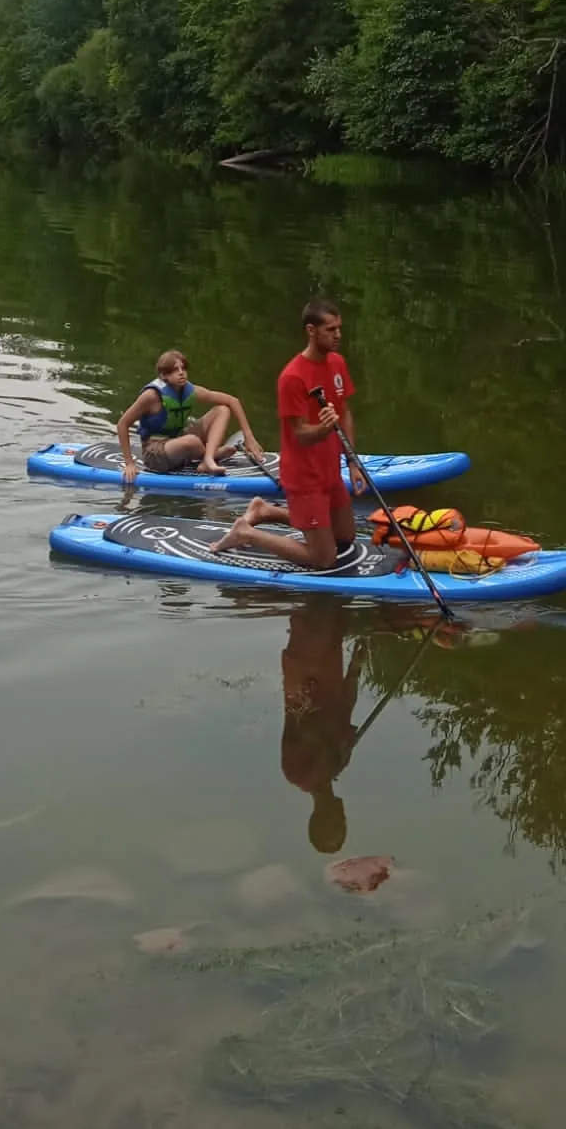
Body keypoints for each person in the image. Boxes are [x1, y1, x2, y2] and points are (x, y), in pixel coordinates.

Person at [212, 299, 356, 566]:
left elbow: (345, 412)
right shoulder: (292, 377)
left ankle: (265, 510)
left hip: (330, 469)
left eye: (339, 329)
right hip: (304, 476)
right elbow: (300, 434)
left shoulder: (337, 363)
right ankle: (247, 532)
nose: (338, 335)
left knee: (345, 538)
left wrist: (352, 461)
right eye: (330, 330)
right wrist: (325, 428)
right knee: (323, 558)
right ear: (311, 331)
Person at [279, 600, 362, 853]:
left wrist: (333, 748)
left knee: (314, 608)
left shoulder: (297, 773)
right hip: (328, 664)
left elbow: (301, 727)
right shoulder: (339, 762)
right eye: (342, 821)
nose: (341, 813)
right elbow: (346, 707)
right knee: (334, 612)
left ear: (318, 817)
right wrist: (356, 667)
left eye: (334, 821)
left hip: (308, 669)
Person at [116, 350, 267, 485]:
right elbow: (122, 424)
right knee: (192, 441)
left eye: (183, 368)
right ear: (163, 375)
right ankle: (213, 454)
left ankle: (208, 459)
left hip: (179, 439)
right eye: (175, 370)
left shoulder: (191, 390)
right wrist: (129, 463)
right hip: (155, 452)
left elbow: (232, 401)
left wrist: (249, 437)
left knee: (222, 410)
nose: (181, 373)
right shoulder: (151, 396)